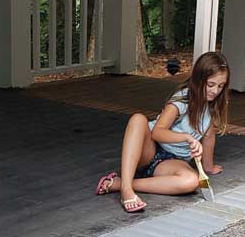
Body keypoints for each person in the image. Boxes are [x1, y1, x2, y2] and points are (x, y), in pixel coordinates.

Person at [95, 51, 230, 213]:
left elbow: (209, 138)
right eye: (211, 84)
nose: (215, 91)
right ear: (198, 79)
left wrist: (208, 167)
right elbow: (157, 133)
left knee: (191, 181)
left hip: (170, 163)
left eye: (221, 86)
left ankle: (120, 183)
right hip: (149, 150)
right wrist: (186, 138)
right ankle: (126, 190)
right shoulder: (181, 100)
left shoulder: (212, 108)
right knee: (138, 119)